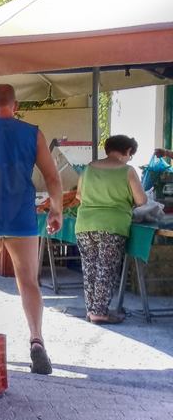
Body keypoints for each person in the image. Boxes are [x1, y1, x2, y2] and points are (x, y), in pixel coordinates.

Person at [0, 84, 64, 375]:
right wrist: (57, 210)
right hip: (22, 219)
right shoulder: (33, 133)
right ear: (15, 106)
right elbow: (52, 177)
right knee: (28, 281)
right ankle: (36, 340)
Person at [74, 134, 147, 324]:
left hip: (84, 224)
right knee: (106, 269)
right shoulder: (127, 171)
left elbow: (79, 196)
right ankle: (100, 312)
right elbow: (141, 201)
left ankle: (92, 310)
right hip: (112, 226)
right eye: (130, 154)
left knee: (89, 268)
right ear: (127, 151)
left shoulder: (88, 169)